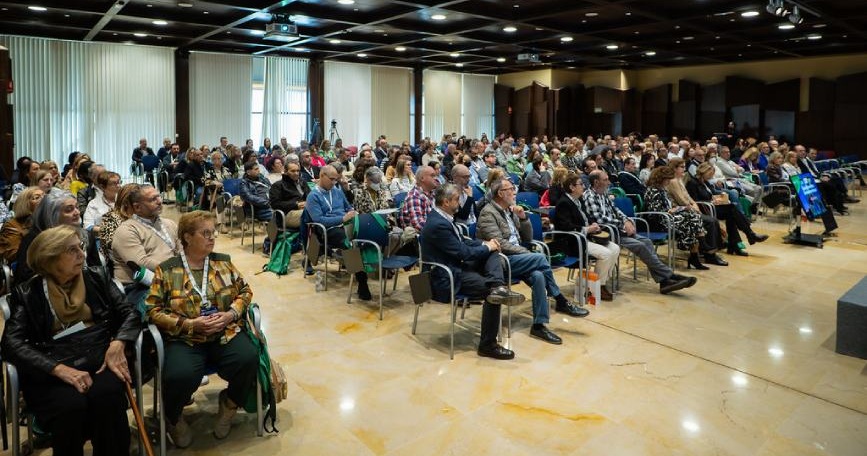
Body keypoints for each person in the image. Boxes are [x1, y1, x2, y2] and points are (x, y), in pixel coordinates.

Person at [0, 225, 140, 456]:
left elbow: (130, 313)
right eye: (72, 250)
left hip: (99, 357)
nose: (82, 254)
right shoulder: (28, 292)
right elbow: (10, 344)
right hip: (54, 365)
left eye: (81, 247)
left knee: (106, 396)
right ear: (50, 258)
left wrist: (119, 342)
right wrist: (57, 369)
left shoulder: (95, 277)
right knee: (70, 406)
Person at [145, 211, 258, 447]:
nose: (212, 237)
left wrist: (230, 314)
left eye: (213, 231)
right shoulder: (166, 270)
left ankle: (229, 405)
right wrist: (189, 324)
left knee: (248, 358)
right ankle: (174, 418)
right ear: (187, 237)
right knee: (179, 375)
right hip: (186, 338)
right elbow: (153, 311)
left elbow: (245, 292)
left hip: (224, 332)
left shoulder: (222, 262)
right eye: (206, 233)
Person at [477, 177, 588, 345]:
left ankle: (538, 325)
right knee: (540, 258)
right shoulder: (488, 213)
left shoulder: (509, 210)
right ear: (500, 193)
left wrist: (523, 218)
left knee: (538, 276)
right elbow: (500, 244)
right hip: (501, 262)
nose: (514, 192)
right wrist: (526, 252)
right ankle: (560, 300)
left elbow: (526, 237)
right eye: (510, 189)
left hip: (518, 257)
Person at [420, 184, 525, 360]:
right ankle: (487, 345)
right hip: (446, 277)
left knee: (492, 249)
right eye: (456, 199)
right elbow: (462, 252)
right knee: (491, 291)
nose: (460, 202)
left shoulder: (443, 217)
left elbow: (462, 244)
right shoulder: (438, 224)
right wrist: (486, 247)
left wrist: (486, 244)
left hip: (457, 267)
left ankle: (497, 286)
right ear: (446, 202)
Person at [583, 171, 697, 294]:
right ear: (596, 182)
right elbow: (600, 220)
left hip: (618, 229)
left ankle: (664, 281)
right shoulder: (589, 196)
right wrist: (623, 224)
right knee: (641, 246)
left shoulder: (603, 193)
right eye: (605, 180)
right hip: (606, 233)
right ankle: (669, 276)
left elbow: (616, 210)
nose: (609, 182)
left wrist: (627, 221)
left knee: (647, 241)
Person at [305, 165, 371, 299]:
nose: (334, 182)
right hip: (329, 230)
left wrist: (353, 212)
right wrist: (342, 218)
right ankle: (362, 282)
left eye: (336, 179)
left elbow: (347, 206)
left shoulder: (337, 190)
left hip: (347, 223)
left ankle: (374, 267)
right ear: (322, 175)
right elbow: (319, 220)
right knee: (350, 245)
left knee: (368, 235)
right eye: (332, 179)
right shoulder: (313, 196)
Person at [551, 174, 620, 301]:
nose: (584, 186)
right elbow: (566, 227)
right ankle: (596, 287)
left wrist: (593, 224)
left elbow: (586, 217)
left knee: (615, 248)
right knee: (605, 254)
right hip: (572, 242)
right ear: (572, 187)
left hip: (585, 238)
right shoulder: (563, 203)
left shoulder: (579, 200)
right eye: (580, 184)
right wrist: (587, 229)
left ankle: (600, 283)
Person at [111, 185, 179, 307]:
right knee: (177, 303)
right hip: (139, 286)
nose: (159, 201)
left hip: (170, 277)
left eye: (158, 196)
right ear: (137, 207)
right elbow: (141, 263)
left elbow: (182, 251)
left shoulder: (169, 224)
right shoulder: (126, 230)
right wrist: (177, 270)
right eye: (153, 199)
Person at [687, 162, 768, 256]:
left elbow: (712, 193)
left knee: (731, 214)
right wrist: (712, 201)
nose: (711, 177)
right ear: (703, 171)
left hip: (712, 206)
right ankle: (748, 236)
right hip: (705, 208)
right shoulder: (692, 183)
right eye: (710, 174)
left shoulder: (705, 182)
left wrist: (719, 199)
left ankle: (736, 244)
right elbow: (695, 200)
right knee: (732, 210)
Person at [644, 166, 713, 270]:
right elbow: (654, 213)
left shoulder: (662, 190)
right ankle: (697, 251)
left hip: (668, 216)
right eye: (667, 179)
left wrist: (679, 208)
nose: (669, 181)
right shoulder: (652, 191)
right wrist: (670, 211)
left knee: (692, 215)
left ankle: (698, 248)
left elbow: (669, 206)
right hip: (658, 221)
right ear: (661, 178)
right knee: (690, 222)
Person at [14, 191, 81, 286]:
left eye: (77, 207)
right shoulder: (34, 240)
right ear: (52, 215)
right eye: (69, 209)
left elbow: (94, 268)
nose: (77, 212)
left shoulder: (85, 235)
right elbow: (26, 278)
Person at [0, 186, 43, 262]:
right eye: (36, 197)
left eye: (44, 196)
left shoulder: (50, 221)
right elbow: (13, 256)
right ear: (25, 204)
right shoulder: (12, 225)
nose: (43, 199)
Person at [398, 165, 440, 232]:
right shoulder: (414, 197)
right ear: (422, 178)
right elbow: (419, 225)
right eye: (432, 175)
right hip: (422, 239)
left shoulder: (432, 194)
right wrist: (442, 229)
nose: (436, 178)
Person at [269, 161, 309, 228]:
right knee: (310, 214)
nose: (296, 173)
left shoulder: (303, 183)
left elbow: (310, 196)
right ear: (285, 171)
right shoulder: (278, 185)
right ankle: (303, 238)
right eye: (293, 171)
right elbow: (275, 204)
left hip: (304, 210)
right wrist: (296, 205)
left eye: (298, 171)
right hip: (287, 214)